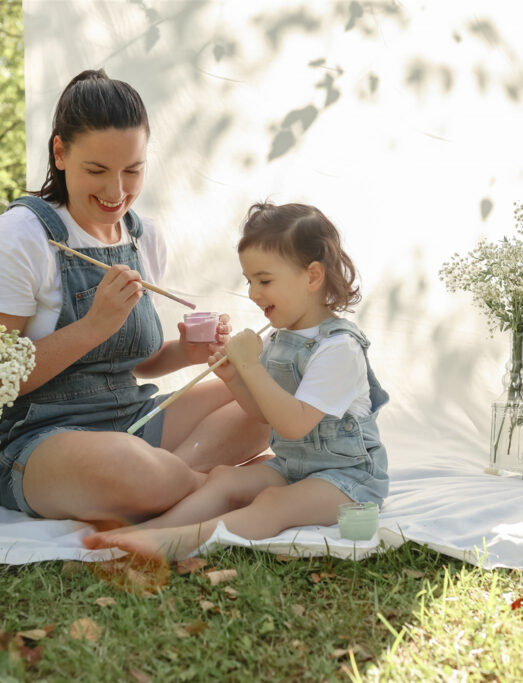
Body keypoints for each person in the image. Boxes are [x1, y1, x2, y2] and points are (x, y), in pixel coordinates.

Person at [0, 69, 269, 523]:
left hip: (133, 419)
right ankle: (209, 486)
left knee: (264, 405)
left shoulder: (143, 239)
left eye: (133, 171)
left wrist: (187, 352)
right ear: (61, 152)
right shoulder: (18, 237)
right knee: (131, 468)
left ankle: (178, 484)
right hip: (39, 438)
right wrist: (92, 327)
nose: (116, 192)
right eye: (97, 170)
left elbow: (135, 363)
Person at [84, 202, 390, 560]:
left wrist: (251, 366)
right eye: (249, 281)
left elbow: (292, 424)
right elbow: (262, 415)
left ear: (311, 277)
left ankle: (177, 542)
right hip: (295, 468)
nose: (253, 293)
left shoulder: (339, 348)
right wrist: (233, 377)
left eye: (265, 280)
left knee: (274, 503)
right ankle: (147, 532)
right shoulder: (280, 337)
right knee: (226, 478)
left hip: (347, 479)